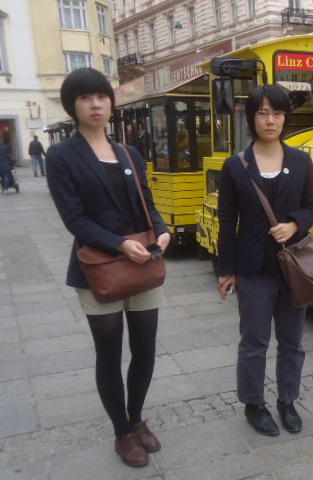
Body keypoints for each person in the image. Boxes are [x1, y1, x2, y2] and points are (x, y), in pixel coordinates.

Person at [45, 68, 171, 468]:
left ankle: (136, 417)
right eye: (85, 98)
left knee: (145, 349)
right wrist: (118, 244)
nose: (95, 104)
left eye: (101, 96)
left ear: (111, 103)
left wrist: (162, 230)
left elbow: (147, 203)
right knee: (109, 354)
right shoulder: (62, 156)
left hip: (142, 264)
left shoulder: (129, 152)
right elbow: (74, 219)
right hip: (99, 268)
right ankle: (122, 432)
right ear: (73, 106)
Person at [217, 84, 313, 437]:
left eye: (276, 113)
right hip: (253, 269)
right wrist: (226, 270)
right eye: (262, 113)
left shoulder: (301, 161)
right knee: (254, 341)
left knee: (292, 341)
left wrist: (294, 224)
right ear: (251, 118)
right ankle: (254, 404)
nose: (270, 120)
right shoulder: (235, 166)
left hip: (294, 269)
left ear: (285, 117)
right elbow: (227, 220)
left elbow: (312, 207)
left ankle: (288, 401)